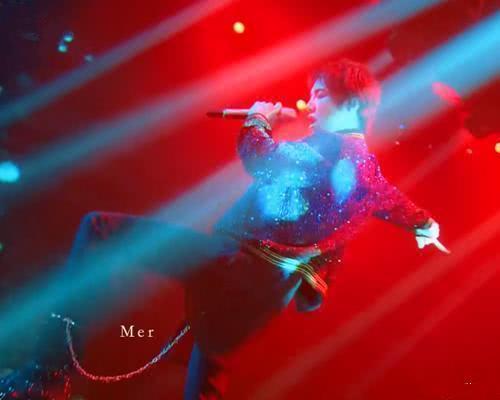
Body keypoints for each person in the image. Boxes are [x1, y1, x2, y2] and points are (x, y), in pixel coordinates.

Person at [0, 59, 448, 400]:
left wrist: (258, 119)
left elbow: (263, 161)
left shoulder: (332, 148)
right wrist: (426, 225)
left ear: (350, 104)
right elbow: (395, 204)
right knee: (210, 369)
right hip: (264, 291)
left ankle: (45, 375)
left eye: (319, 96)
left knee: (99, 229)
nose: (310, 104)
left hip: (235, 267)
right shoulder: (366, 168)